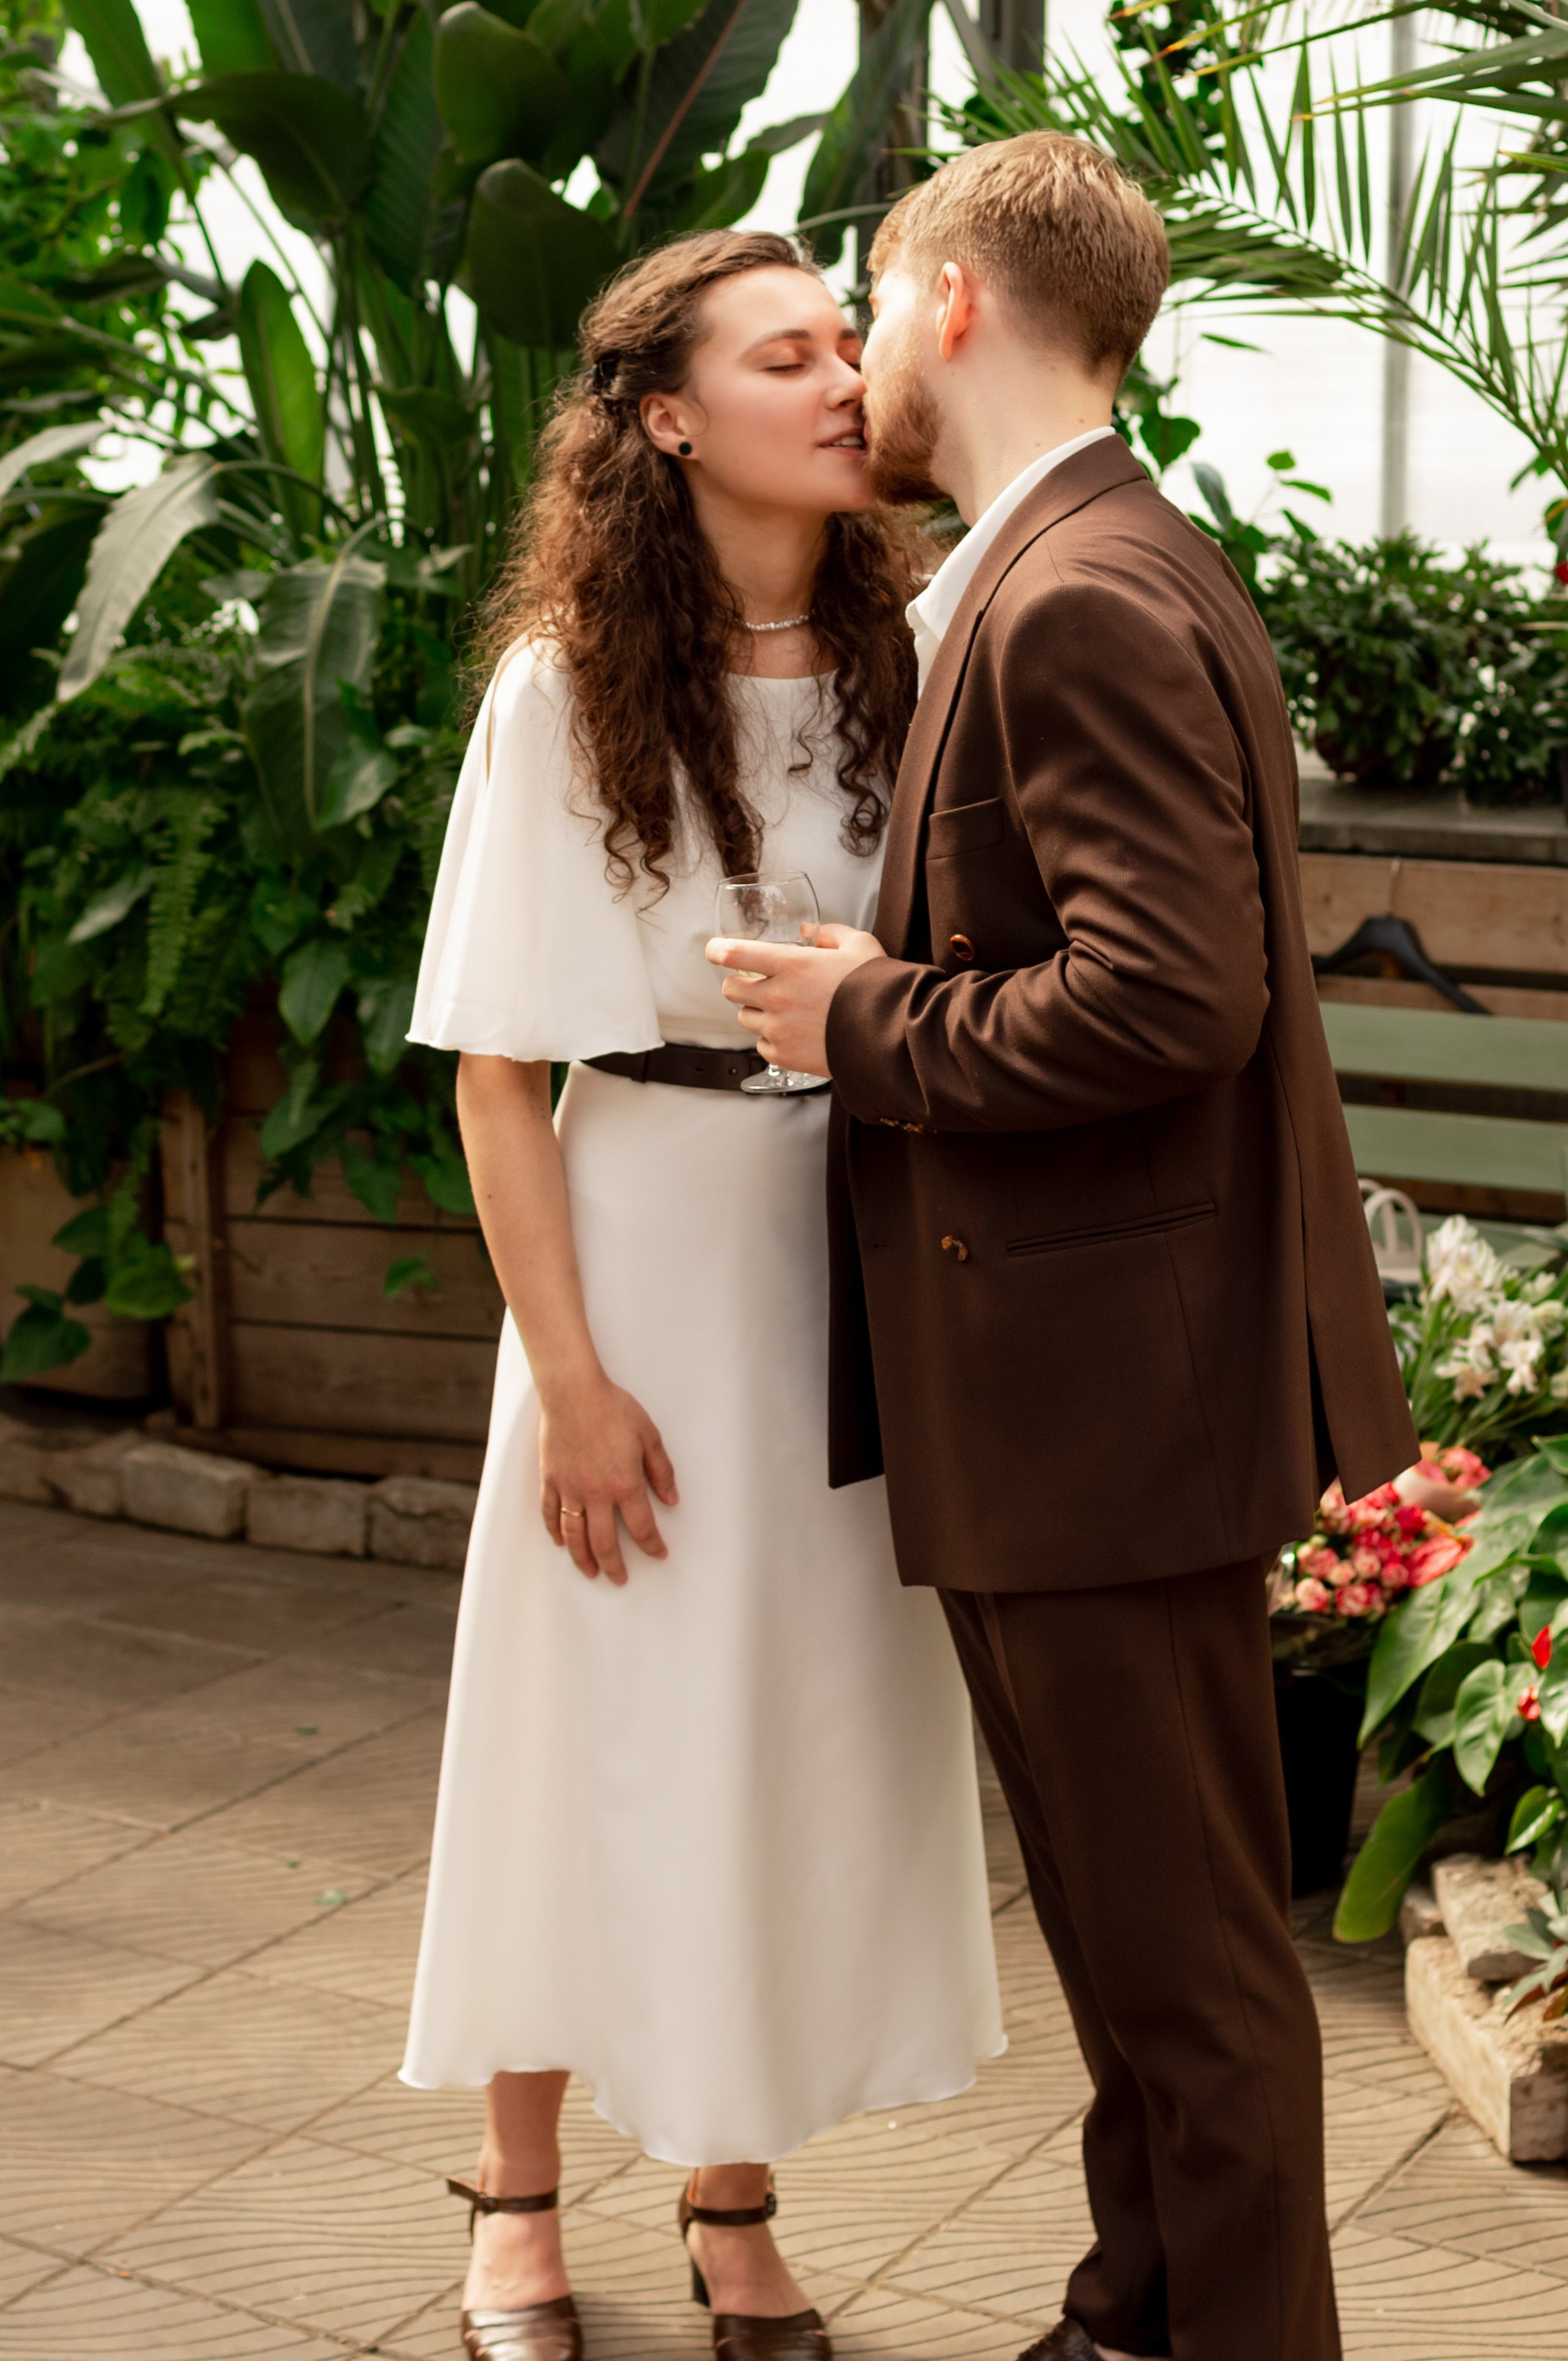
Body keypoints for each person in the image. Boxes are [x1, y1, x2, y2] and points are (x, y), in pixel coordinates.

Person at [708, 135, 1417, 2361]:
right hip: (1085, 1398)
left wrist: (866, 1019)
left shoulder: (1078, 592)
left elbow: (1173, 999)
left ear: (954, 299)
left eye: (869, 303)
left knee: (1190, 1972)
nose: (855, 363)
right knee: (1132, 1945)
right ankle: (1136, 2316)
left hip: (1105, 1405)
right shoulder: (1086, 553)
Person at [401, 229, 1003, 2361]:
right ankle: (519, 2195)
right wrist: (569, 1382)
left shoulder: (921, 651)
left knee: (785, 1729)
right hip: (637, 1253)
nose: (844, 380)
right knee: (581, 1713)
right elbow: (498, 1073)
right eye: (784, 356)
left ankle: (733, 2198)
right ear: (664, 417)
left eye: (848, 341)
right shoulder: (561, 687)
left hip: (854, 1256)